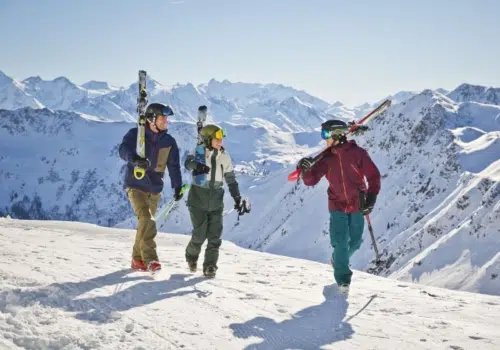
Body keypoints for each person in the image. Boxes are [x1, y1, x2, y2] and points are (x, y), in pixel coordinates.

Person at [297, 120, 380, 294]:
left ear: (337, 135)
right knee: (340, 242)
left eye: (326, 135)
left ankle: (337, 260)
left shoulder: (357, 154)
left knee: (355, 242)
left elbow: (373, 176)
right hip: (336, 205)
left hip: (358, 203)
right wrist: (305, 170)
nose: (324, 139)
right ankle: (343, 281)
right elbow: (311, 180)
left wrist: (371, 198)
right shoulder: (326, 159)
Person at [119, 103, 184, 273]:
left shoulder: (169, 142)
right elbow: (122, 150)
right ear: (152, 119)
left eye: (166, 118)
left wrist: (177, 186)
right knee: (148, 220)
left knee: (144, 224)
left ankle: (136, 259)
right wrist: (134, 158)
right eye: (163, 118)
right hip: (135, 185)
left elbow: (174, 166)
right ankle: (150, 260)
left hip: (154, 189)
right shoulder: (136, 134)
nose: (166, 121)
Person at [184, 124, 249, 278]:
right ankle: (191, 256)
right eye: (217, 138)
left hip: (216, 199)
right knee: (199, 234)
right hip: (198, 198)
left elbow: (231, 180)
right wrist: (197, 165)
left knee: (215, 236)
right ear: (207, 139)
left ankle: (210, 266)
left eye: (221, 139)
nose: (220, 141)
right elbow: (188, 163)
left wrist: (237, 198)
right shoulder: (198, 152)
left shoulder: (224, 157)